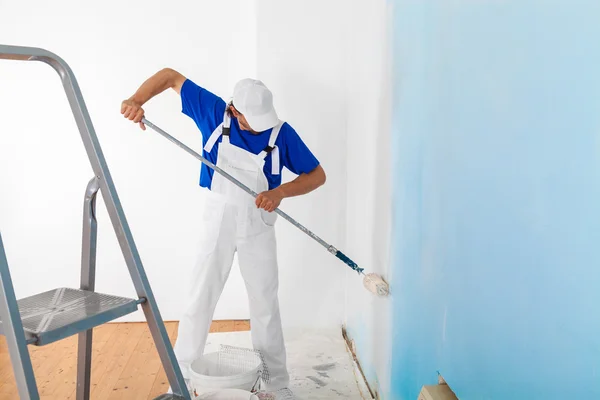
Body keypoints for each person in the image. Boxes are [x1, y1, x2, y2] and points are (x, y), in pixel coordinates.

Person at [121, 68, 326, 395]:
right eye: (248, 120)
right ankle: (183, 378)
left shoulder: (281, 133)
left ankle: (274, 384)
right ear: (233, 109)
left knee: (264, 303)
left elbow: (316, 175)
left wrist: (280, 192)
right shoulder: (214, 112)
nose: (255, 127)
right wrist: (136, 99)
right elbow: (171, 77)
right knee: (201, 296)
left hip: (257, 224)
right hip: (218, 220)